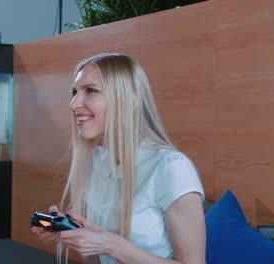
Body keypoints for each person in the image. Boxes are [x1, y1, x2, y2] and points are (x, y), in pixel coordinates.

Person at [31, 53, 206, 264]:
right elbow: (95, 261)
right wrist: (75, 236)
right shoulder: (95, 162)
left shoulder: (172, 168)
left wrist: (112, 245)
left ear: (130, 100)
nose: (74, 103)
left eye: (91, 91)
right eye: (75, 92)